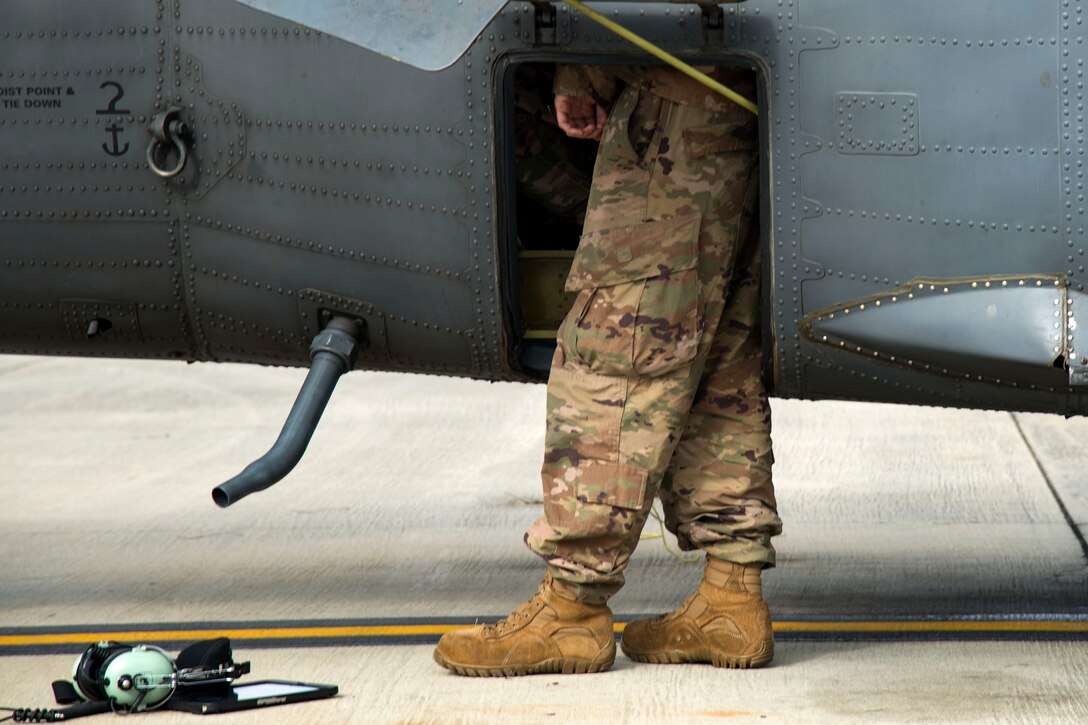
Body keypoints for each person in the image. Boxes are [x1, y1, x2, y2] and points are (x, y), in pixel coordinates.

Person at [433, 62, 782, 676]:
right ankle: (731, 600)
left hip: (675, 95)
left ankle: (571, 609)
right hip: (736, 95)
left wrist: (586, 69)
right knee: (715, 359)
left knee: (616, 357)